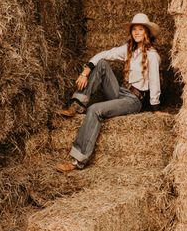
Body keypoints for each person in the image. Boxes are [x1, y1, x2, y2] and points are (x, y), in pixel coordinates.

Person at [55, 12, 161, 172]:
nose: (137, 32)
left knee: (95, 109)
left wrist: (155, 109)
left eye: (140, 29)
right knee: (103, 64)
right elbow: (103, 54)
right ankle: (77, 104)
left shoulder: (153, 56)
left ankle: (77, 161)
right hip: (121, 92)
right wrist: (86, 71)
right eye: (134, 29)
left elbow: (154, 82)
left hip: (133, 100)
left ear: (147, 32)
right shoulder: (129, 50)